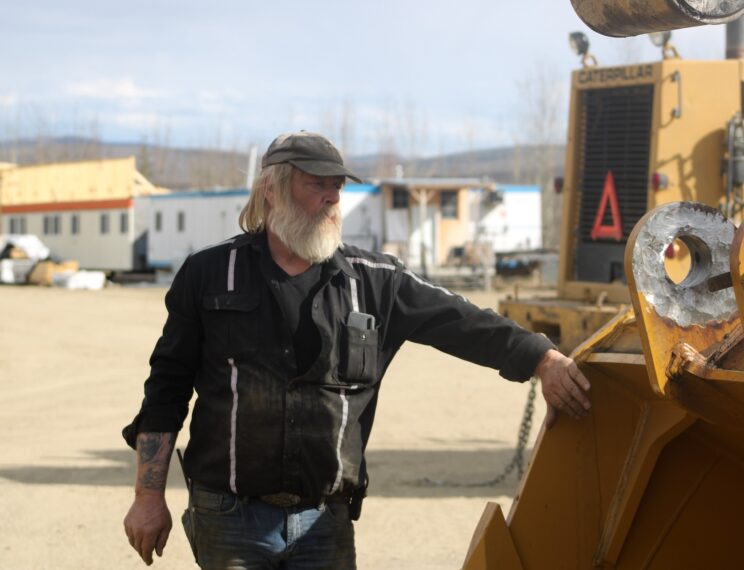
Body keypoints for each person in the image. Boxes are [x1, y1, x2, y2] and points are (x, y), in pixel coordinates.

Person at [122, 131, 591, 569]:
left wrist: (542, 358)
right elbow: (166, 388)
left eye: (337, 187)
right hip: (229, 516)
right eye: (317, 185)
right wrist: (148, 497)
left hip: (325, 521)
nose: (332, 198)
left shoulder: (374, 280)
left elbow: (462, 322)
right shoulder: (209, 275)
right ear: (272, 190)